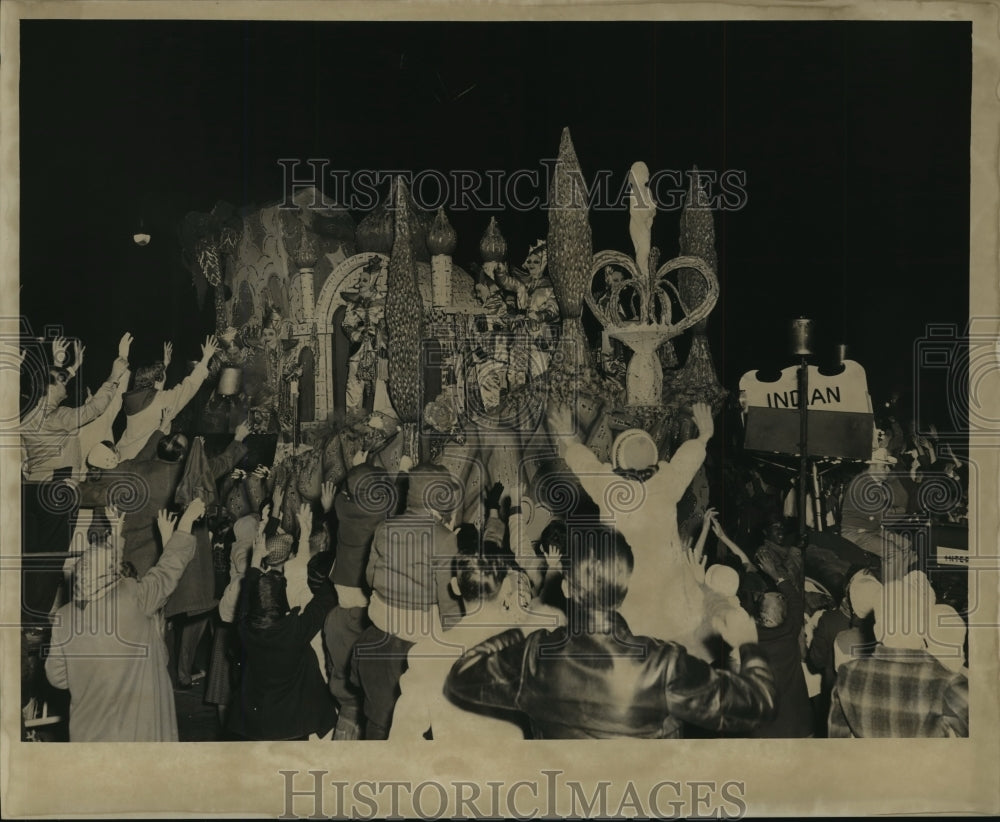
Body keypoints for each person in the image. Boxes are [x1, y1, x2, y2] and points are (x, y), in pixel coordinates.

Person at [444, 525, 778, 738]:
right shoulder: (663, 662)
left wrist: (519, 633)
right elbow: (758, 705)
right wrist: (747, 646)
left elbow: (462, 675)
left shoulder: (534, 656)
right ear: (623, 589)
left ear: (568, 588)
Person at [550, 401, 737, 656]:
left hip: (627, 592)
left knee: (631, 647)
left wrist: (570, 441)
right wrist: (703, 436)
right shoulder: (667, 482)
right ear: (653, 457)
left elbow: (587, 465)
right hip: (668, 594)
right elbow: (686, 460)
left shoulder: (610, 489)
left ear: (617, 459)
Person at [44, 498, 206, 741]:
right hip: (140, 734)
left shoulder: (63, 618)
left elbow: (57, 678)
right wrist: (185, 522)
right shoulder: (133, 596)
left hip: (91, 735)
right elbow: (168, 570)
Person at [356, 462, 463, 739]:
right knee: (417, 726)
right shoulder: (444, 538)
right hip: (419, 642)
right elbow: (449, 602)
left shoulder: (383, 527)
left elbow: (369, 577)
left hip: (379, 630)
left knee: (378, 720)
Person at [389, 550, 534, 742]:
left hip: (455, 767)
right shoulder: (531, 645)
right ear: (507, 586)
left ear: (456, 587)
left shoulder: (426, 654)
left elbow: (402, 739)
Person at [226, 504, 339, 741]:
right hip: (293, 722)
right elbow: (326, 598)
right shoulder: (293, 629)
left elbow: (248, 592)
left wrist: (256, 557)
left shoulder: (246, 627)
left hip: (257, 723)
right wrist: (311, 543)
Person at [828, 572, 969, 737]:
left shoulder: (847, 674)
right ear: (923, 628)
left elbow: (837, 741)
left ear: (877, 631)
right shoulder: (948, 682)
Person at [323, 466, 396, 740]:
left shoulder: (343, 508)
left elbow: (343, 495)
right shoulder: (380, 512)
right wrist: (399, 471)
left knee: (345, 631)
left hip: (343, 583)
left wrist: (356, 468)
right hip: (366, 586)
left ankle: (347, 706)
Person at [21, 333, 132, 481]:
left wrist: (61, 365)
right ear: (51, 388)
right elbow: (94, 408)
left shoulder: (30, 417)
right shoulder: (57, 417)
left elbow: (50, 385)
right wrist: (114, 375)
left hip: (36, 482)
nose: (66, 383)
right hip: (58, 485)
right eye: (62, 381)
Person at [116, 336, 218, 461]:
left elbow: (153, 392)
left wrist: (164, 365)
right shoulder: (163, 401)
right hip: (144, 461)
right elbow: (189, 387)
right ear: (157, 380)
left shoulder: (132, 397)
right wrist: (206, 358)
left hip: (122, 456)